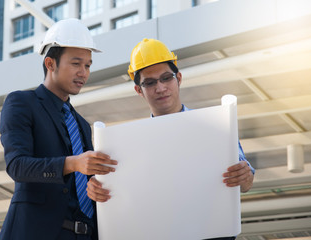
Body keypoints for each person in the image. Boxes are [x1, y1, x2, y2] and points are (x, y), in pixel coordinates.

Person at [87, 38, 255, 239]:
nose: (160, 88)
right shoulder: (128, 145)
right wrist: (96, 190)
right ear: (138, 90)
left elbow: (246, 183)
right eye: (150, 83)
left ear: (179, 79)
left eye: (166, 78)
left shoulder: (215, 126)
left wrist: (245, 177)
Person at [0, 18, 117, 240]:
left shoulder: (81, 124)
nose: (83, 72)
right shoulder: (22, 103)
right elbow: (17, 166)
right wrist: (72, 163)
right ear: (50, 64)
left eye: (88, 65)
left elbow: (85, 182)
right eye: (76, 63)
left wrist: (95, 188)